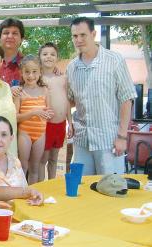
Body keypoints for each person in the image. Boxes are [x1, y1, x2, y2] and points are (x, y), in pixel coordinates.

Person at [67, 17, 136, 175]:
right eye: (75, 36)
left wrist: (122, 137)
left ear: (93, 33)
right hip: (82, 140)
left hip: (109, 141)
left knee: (111, 190)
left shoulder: (114, 60)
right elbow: (70, 100)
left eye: (83, 35)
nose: (78, 40)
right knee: (82, 191)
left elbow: (127, 99)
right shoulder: (72, 67)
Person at [15, 55, 53, 184]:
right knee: (23, 166)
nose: (30, 75)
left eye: (34, 72)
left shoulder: (45, 90)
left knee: (35, 168)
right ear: (21, 73)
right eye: (27, 72)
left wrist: (48, 113)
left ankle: (33, 194)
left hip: (40, 134)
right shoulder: (20, 92)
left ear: (40, 72)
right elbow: (16, 117)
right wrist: (34, 113)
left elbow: (48, 110)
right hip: (25, 133)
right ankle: (21, 192)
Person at [38, 43, 73, 180]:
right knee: (43, 159)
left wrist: (70, 122)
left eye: (52, 54)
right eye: (45, 54)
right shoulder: (38, 78)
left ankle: (51, 185)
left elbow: (67, 101)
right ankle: (41, 188)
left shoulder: (63, 78)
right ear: (39, 57)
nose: (49, 57)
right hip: (46, 125)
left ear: (57, 58)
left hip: (60, 124)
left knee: (54, 158)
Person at [0, 18, 25, 87]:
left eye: (15, 33)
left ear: (22, 39)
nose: (10, 36)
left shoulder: (28, 64)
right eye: (6, 33)